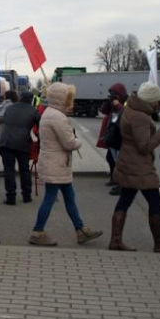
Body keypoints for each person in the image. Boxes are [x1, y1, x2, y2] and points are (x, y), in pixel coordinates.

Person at [29, 83, 102, 246]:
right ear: (61, 99)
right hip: (57, 164)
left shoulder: (51, 113)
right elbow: (69, 143)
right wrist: (78, 141)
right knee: (50, 198)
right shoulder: (57, 117)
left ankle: (80, 229)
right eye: (68, 98)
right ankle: (37, 232)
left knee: (69, 197)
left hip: (55, 163)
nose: (71, 102)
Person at [109, 82, 160, 252]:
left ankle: (115, 240)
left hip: (128, 162)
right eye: (156, 101)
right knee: (155, 202)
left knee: (125, 200)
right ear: (151, 101)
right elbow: (144, 146)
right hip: (139, 167)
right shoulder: (140, 117)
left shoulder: (131, 109)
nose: (158, 104)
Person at [0, 91, 39, 205]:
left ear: (20, 98)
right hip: (23, 143)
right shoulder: (33, 111)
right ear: (31, 100)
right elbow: (40, 128)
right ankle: (26, 196)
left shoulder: (10, 108)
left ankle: (10, 197)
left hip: (5, 142)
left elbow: (3, 119)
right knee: (24, 170)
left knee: (9, 170)